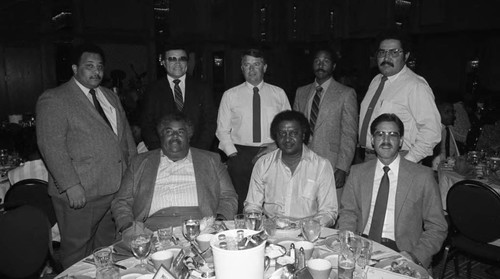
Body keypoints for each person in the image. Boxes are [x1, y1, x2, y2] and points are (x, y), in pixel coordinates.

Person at [36, 43, 137, 268]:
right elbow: (50, 145)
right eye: (89, 66)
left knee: (107, 248)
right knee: (77, 250)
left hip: (114, 188)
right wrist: (71, 185)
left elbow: (125, 137)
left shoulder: (109, 96)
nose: (96, 72)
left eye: (100, 67)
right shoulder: (55, 98)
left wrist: (132, 174)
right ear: (75, 68)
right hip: (81, 191)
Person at [338, 113, 447, 268]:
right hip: (361, 246)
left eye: (392, 135)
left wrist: (415, 255)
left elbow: (437, 227)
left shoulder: (422, 176)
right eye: (380, 134)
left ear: (401, 141)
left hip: (403, 252)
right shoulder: (357, 173)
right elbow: (348, 213)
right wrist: (349, 243)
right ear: (372, 140)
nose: (386, 140)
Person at [112, 113, 238, 234]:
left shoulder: (211, 160)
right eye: (169, 132)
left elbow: (228, 196)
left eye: (180, 132)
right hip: (150, 230)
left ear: (189, 136)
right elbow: (121, 201)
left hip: (201, 228)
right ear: (161, 136)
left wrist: (219, 221)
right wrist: (128, 227)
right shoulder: (139, 163)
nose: (175, 136)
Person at [216, 48, 291, 213]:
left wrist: (276, 146)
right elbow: (222, 130)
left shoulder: (278, 94)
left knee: (273, 200)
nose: (251, 69)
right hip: (240, 154)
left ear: (264, 67)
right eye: (247, 65)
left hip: (272, 152)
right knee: (243, 202)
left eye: (256, 64)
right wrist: (233, 154)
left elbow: (288, 127)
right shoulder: (230, 95)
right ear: (242, 68)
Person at [358, 30, 441, 163]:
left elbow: (432, 131)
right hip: (369, 157)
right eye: (382, 52)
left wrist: (408, 161)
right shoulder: (376, 81)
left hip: (398, 158)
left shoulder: (415, 85)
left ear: (406, 56)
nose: (386, 57)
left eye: (394, 52)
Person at [244, 111, 337, 227]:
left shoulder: (321, 166)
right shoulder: (263, 164)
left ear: (303, 135)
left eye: (293, 133)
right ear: (275, 137)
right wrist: (258, 224)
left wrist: (309, 226)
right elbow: (252, 206)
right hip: (271, 231)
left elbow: (328, 211)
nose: (287, 139)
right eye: (282, 134)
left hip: (308, 233)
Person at [294, 49, 358, 200]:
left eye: (326, 61)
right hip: (303, 160)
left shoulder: (346, 93)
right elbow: (295, 129)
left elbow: (349, 133)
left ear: (334, 66)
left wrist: (343, 167)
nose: (321, 65)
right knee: (302, 205)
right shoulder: (301, 92)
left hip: (332, 162)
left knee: (330, 209)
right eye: (317, 61)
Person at [141, 46, 217, 151]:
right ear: (164, 62)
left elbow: (210, 121)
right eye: (172, 59)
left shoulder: (202, 88)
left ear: (187, 62)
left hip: (197, 151)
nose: (178, 63)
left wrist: (199, 150)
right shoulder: (152, 90)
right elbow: (147, 124)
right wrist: (160, 150)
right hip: (163, 153)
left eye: (182, 59)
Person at [430, 101, 460, 170]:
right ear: (437, 113)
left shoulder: (450, 129)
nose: (451, 115)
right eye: (447, 112)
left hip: (450, 166)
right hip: (436, 168)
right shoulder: (434, 132)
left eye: (452, 112)